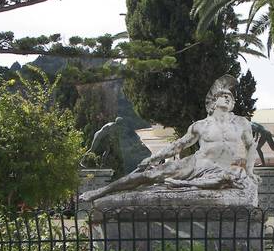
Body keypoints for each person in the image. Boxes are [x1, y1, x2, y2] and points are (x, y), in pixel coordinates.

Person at [80, 75, 258, 202]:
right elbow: (178, 145)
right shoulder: (201, 125)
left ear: (233, 104)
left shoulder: (241, 123)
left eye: (231, 98)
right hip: (195, 164)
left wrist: (249, 171)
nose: (228, 98)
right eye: (224, 96)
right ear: (214, 102)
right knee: (149, 175)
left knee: (227, 180)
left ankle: (184, 185)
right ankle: (101, 191)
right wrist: (153, 158)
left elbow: (251, 146)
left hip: (220, 169)